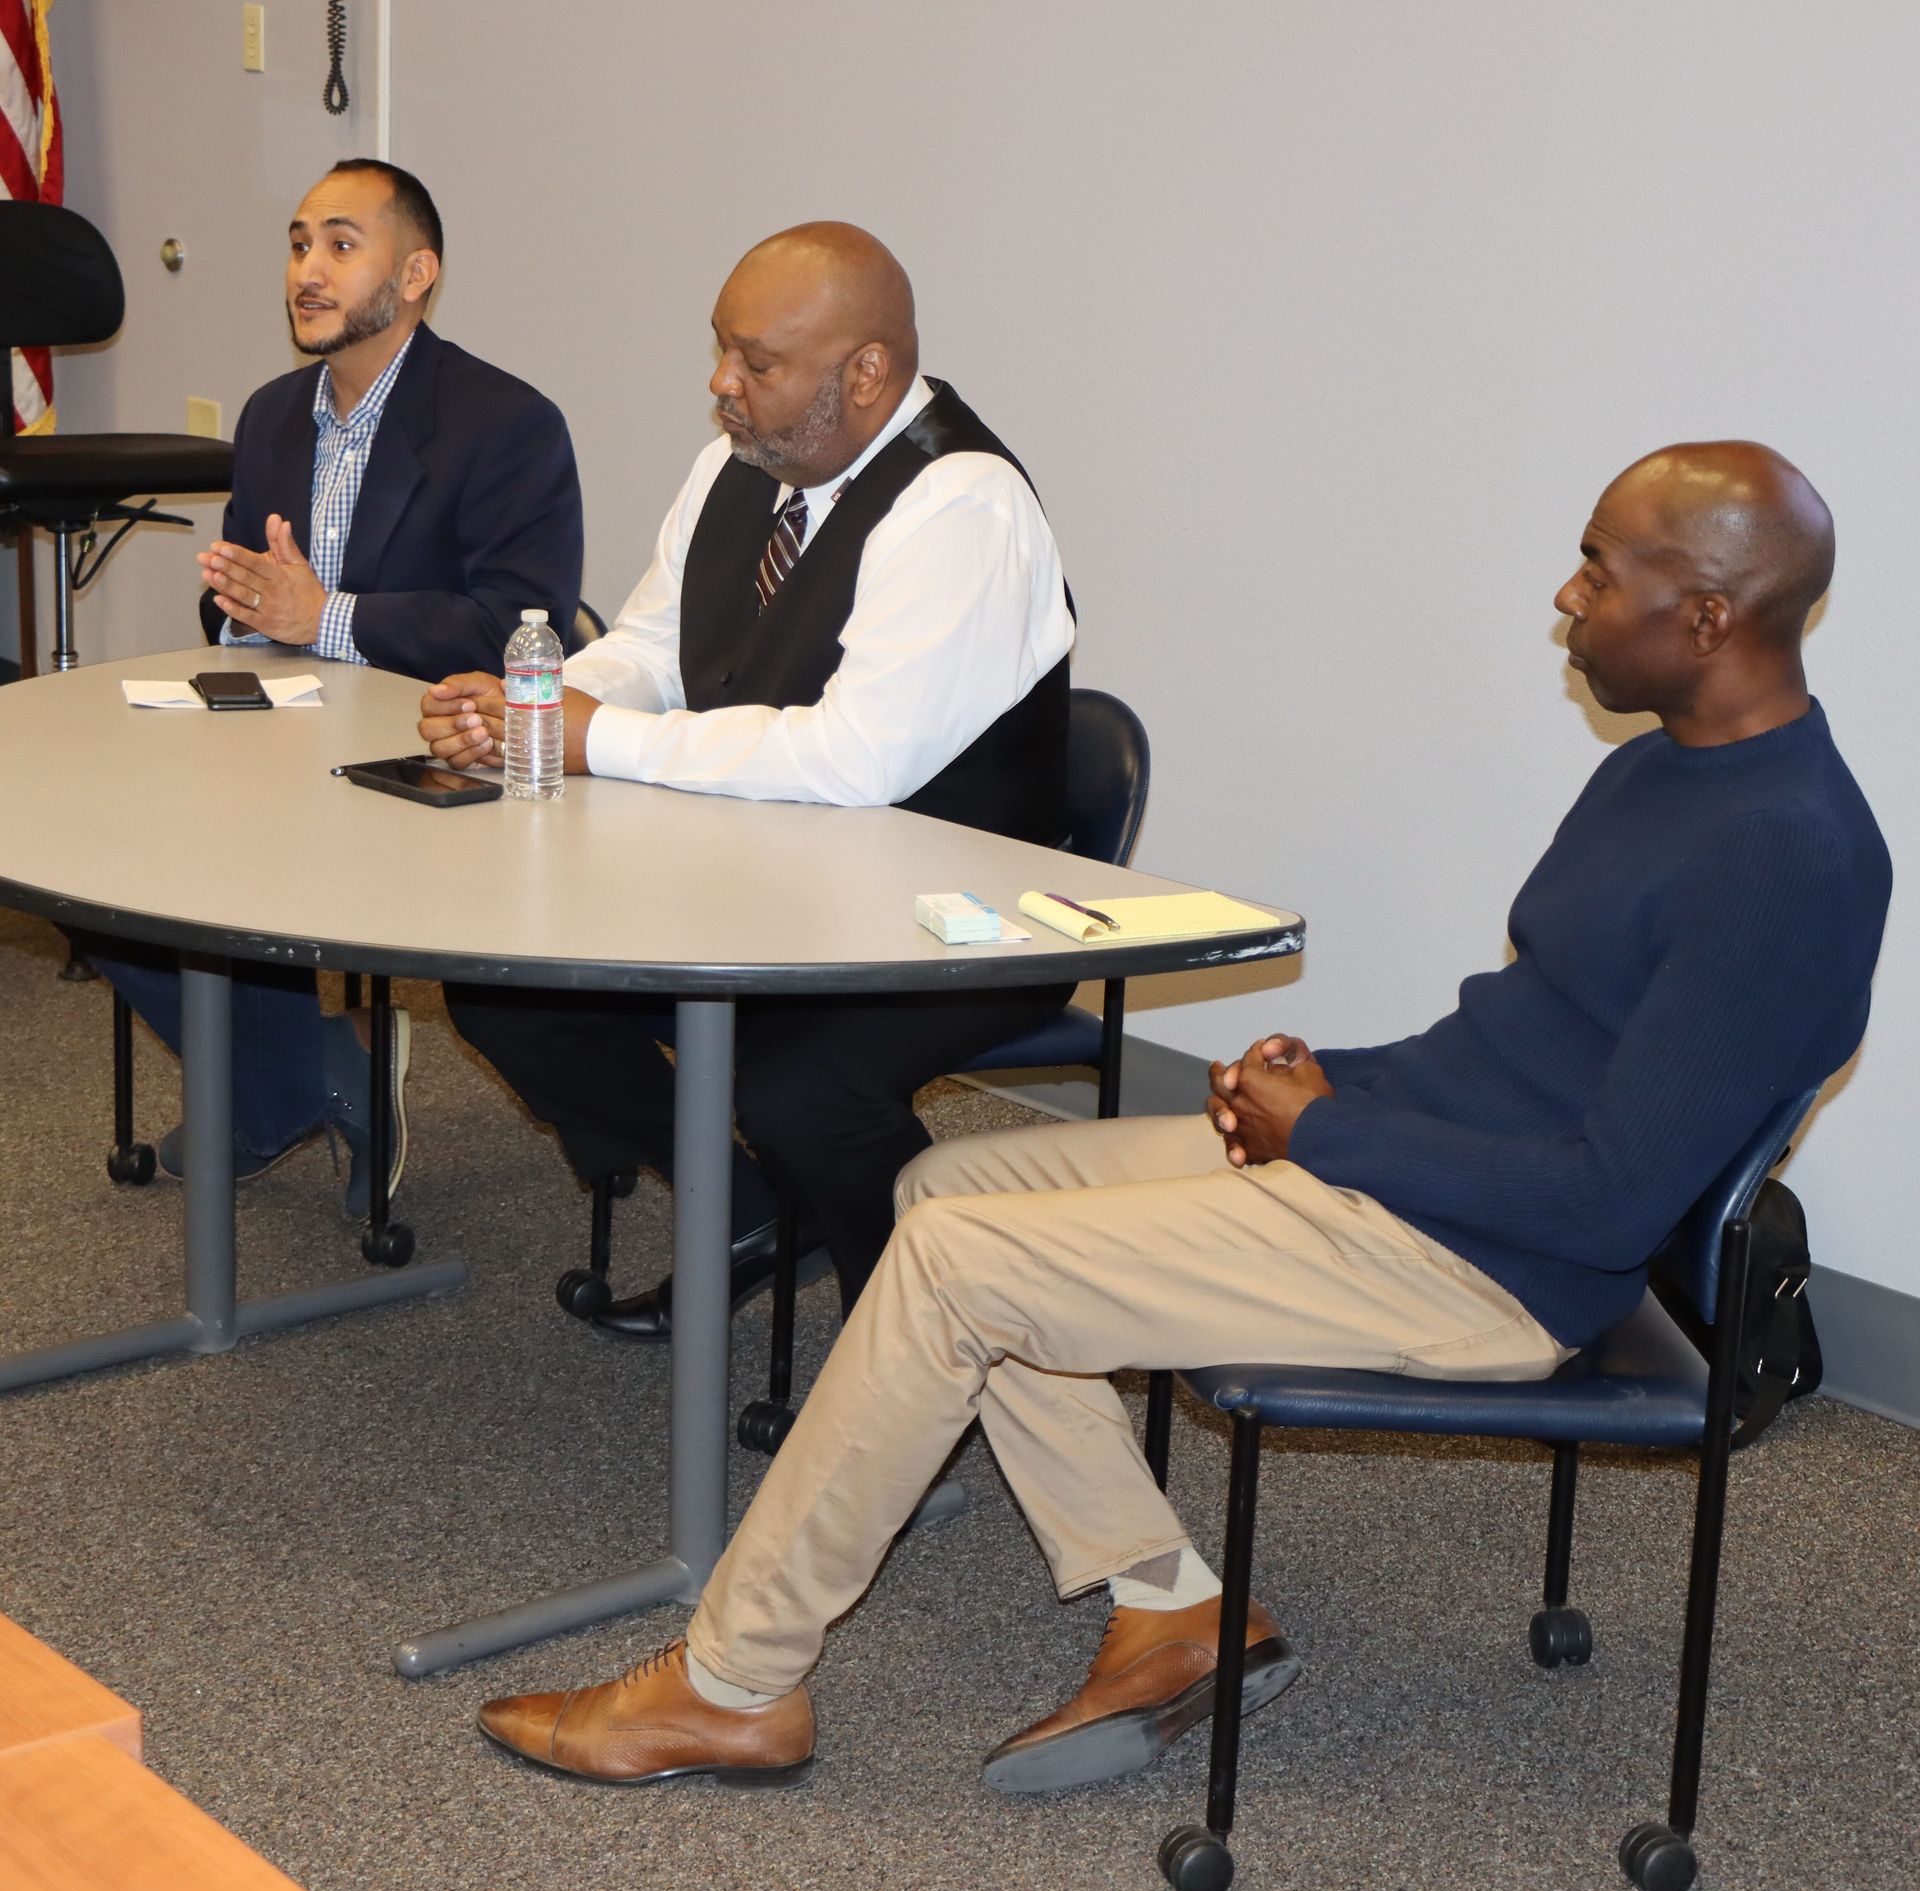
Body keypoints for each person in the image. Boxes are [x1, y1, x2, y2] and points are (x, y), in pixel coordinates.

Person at [474, 442, 1890, 1795]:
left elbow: (1607, 1205)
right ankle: (1167, 1607)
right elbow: (1524, 1040)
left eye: (1598, 571)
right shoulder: (1662, 767)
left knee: (961, 1275)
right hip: (1415, 1179)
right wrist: (1329, 1077)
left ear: (1706, 615)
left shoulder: (1782, 861)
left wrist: (1324, 1135)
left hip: (1497, 1268)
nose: (1566, 598)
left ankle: (731, 1688)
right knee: (951, 1198)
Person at [417, 222, 1075, 1337]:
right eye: (722, 351)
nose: (723, 386)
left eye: (758, 365)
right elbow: (653, 651)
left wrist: (597, 740)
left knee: (795, 1083)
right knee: (508, 991)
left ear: (867, 374)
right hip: (770, 877)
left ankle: (931, 1345)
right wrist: (533, 704)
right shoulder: (739, 465)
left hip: (955, 919)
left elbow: (853, 759)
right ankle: (770, 1209)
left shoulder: (964, 505)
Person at [93, 159, 583, 1216]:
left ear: (416, 274)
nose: (307, 270)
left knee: (225, 863)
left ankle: (281, 1087)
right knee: (86, 852)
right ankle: (305, 1073)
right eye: (298, 242)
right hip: (272, 731)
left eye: (341, 245)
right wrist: (243, 605)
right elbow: (248, 608)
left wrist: (326, 619)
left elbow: (519, 625)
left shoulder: (506, 424)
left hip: (422, 751)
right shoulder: (274, 415)